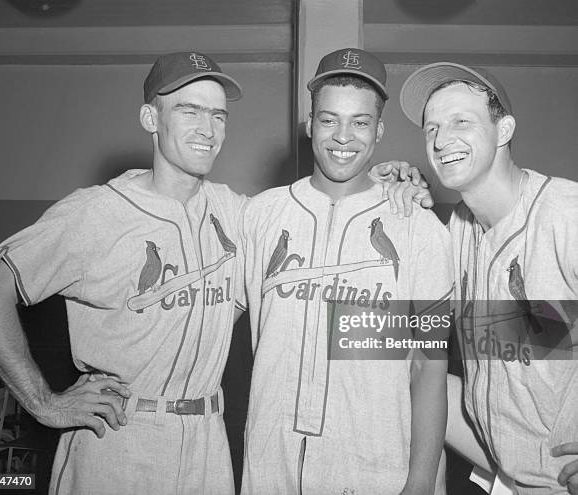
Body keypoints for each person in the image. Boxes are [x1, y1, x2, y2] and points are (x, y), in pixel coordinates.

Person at [0, 52, 248, 494]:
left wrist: (391, 183)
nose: (207, 130)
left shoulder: (234, 210)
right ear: (150, 118)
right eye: (188, 111)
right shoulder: (96, 212)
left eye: (218, 115)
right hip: (119, 434)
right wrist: (45, 405)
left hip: (206, 441)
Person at [239, 48, 452, 494]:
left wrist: (420, 484)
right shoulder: (260, 216)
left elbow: (428, 368)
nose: (343, 136)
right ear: (310, 124)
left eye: (360, 121)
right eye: (329, 119)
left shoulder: (418, 227)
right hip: (271, 465)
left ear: (379, 131)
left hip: (372, 470)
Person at [399, 62, 578, 494]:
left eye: (462, 121)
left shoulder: (566, 213)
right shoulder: (457, 230)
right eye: (431, 128)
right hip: (506, 471)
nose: (441, 140)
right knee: (396, 361)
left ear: (503, 130)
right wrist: (378, 198)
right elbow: (388, 335)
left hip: (561, 481)